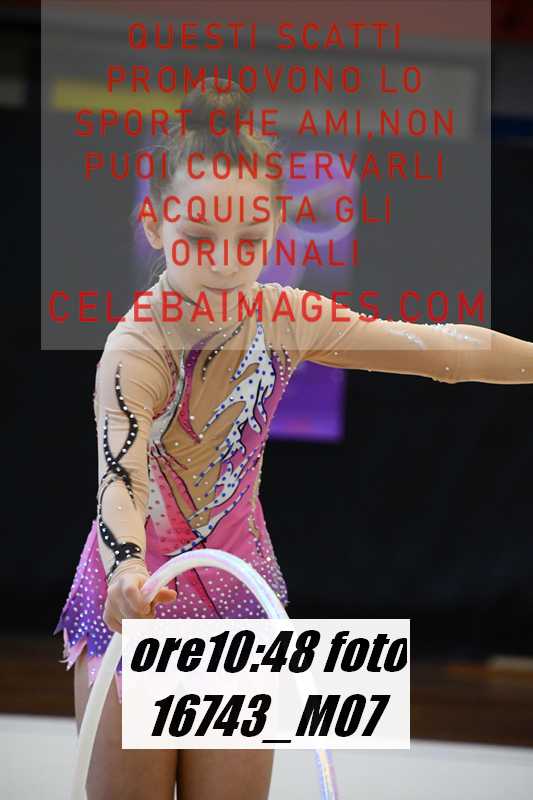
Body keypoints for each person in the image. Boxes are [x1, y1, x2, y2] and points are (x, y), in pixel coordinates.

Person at [54, 78, 533, 800]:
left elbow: (442, 351)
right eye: (198, 238)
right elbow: (122, 479)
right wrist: (125, 570)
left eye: (249, 240)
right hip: (135, 598)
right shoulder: (137, 349)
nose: (225, 261)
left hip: (238, 598)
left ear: (277, 224)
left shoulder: (284, 317)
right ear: (154, 223)